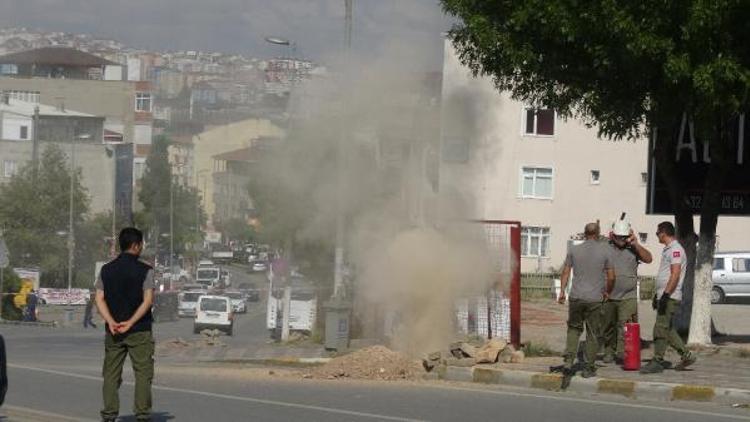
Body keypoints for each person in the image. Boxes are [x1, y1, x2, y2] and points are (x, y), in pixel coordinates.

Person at [95, 227, 155, 422]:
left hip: (113, 331)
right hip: (139, 330)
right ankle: (142, 415)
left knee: (111, 374)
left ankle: (109, 414)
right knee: (143, 374)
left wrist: (112, 322)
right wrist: (130, 322)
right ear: (136, 245)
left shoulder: (106, 270)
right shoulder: (145, 270)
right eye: (141, 244)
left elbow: (99, 298)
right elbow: (148, 301)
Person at [558, 222, 615, 379]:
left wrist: (562, 291)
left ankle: (569, 360)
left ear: (584, 233)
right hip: (595, 299)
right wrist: (607, 292)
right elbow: (611, 277)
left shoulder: (574, 250)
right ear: (598, 234)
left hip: (576, 296)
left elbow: (565, 272)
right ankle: (589, 367)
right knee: (592, 333)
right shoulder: (605, 251)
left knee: (574, 329)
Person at [640, 222, 696, 373]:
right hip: (664, 295)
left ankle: (657, 361)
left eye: (658, 232)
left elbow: (675, 274)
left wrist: (665, 295)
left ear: (664, 233)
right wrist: (657, 295)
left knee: (660, 328)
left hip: (670, 296)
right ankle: (686, 355)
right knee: (668, 329)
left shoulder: (676, 250)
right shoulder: (668, 249)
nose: (657, 234)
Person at [600, 219, 653, 363]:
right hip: (608, 294)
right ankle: (608, 351)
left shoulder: (633, 249)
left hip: (628, 296)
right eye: (619, 237)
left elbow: (649, 259)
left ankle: (622, 352)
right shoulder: (604, 248)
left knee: (625, 325)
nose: (622, 240)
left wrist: (635, 244)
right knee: (608, 325)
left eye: (624, 237)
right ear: (612, 235)